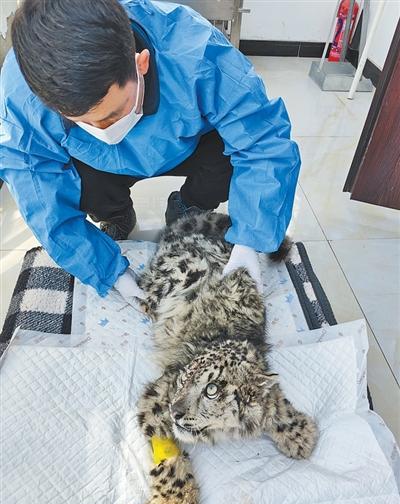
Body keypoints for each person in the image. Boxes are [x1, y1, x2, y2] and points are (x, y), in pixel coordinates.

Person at [0, 0, 300, 305]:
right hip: (95, 161)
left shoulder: (197, 52)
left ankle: (189, 206)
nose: (105, 130)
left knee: (229, 156)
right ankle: (115, 214)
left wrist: (249, 240)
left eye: (114, 112)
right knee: (75, 183)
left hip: (187, 145)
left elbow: (262, 142)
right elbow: (37, 189)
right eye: (83, 121)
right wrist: (107, 271)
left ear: (140, 63)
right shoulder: (24, 90)